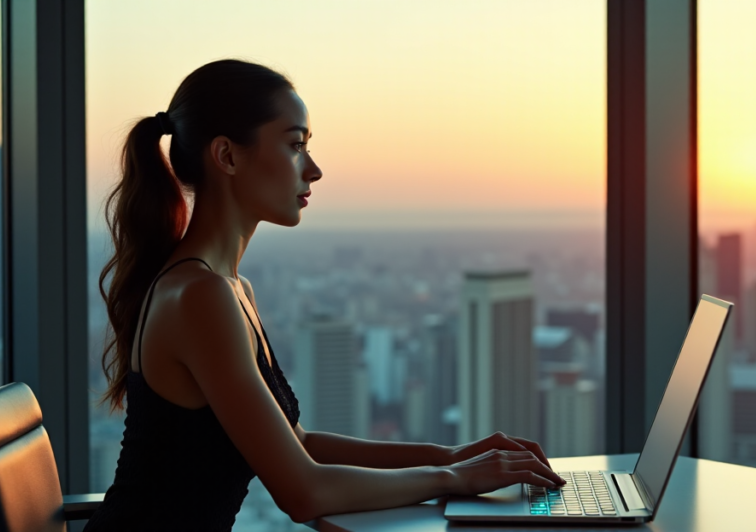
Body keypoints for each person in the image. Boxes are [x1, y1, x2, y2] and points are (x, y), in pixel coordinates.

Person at [83, 59, 564, 532]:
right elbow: (303, 493)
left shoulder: (227, 288)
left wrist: (451, 456)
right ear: (227, 156)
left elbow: (300, 444)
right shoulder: (201, 297)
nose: (313, 170)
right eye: (296, 145)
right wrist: (454, 478)